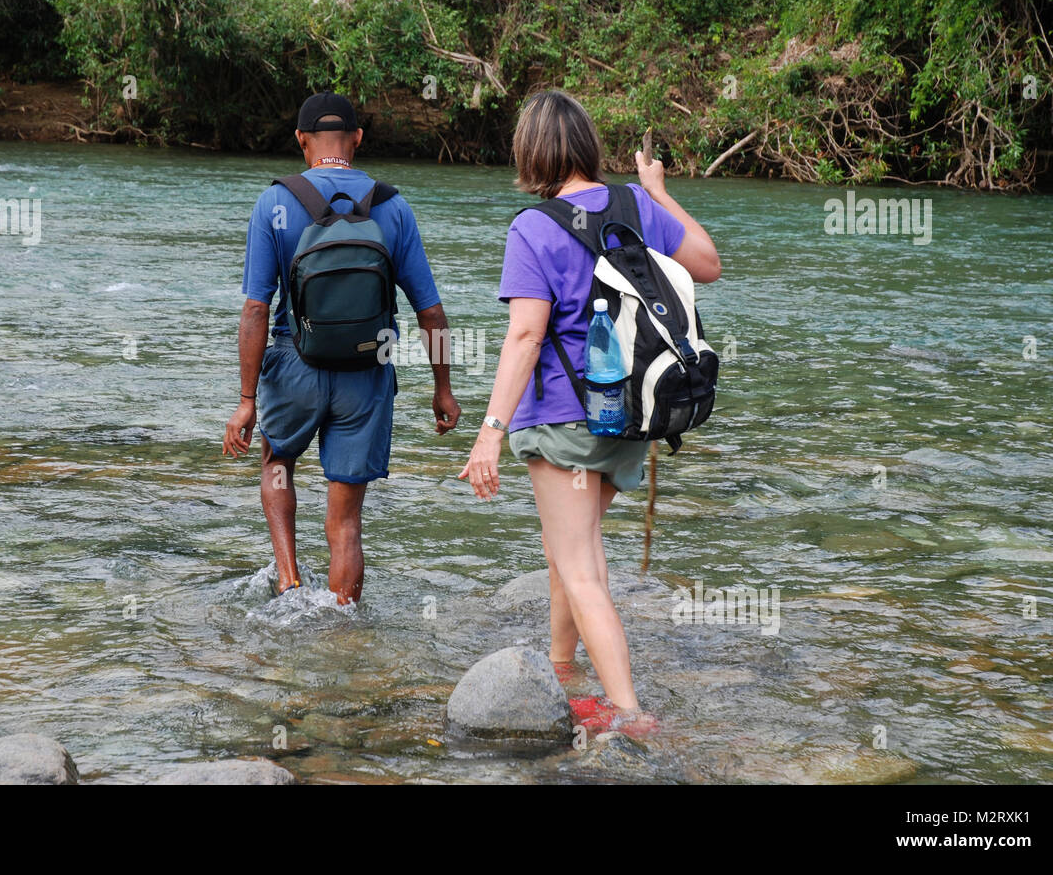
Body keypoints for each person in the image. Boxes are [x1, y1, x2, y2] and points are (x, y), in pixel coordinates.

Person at [459, 90, 720, 733]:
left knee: (581, 569)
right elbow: (708, 265)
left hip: (563, 425)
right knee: (567, 550)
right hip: (630, 423)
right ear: (587, 145)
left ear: (531, 151)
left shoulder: (533, 228)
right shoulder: (636, 206)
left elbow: (525, 338)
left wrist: (489, 432)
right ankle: (561, 669)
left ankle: (631, 716)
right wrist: (657, 192)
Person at [224, 92, 461, 605]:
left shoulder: (275, 203)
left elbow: (256, 310)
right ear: (357, 139)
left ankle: (288, 583)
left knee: (276, 463)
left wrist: (246, 400)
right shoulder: (393, 207)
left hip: (293, 365)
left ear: (301, 141)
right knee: (347, 519)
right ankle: (342, 621)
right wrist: (443, 389)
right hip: (366, 368)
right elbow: (431, 313)